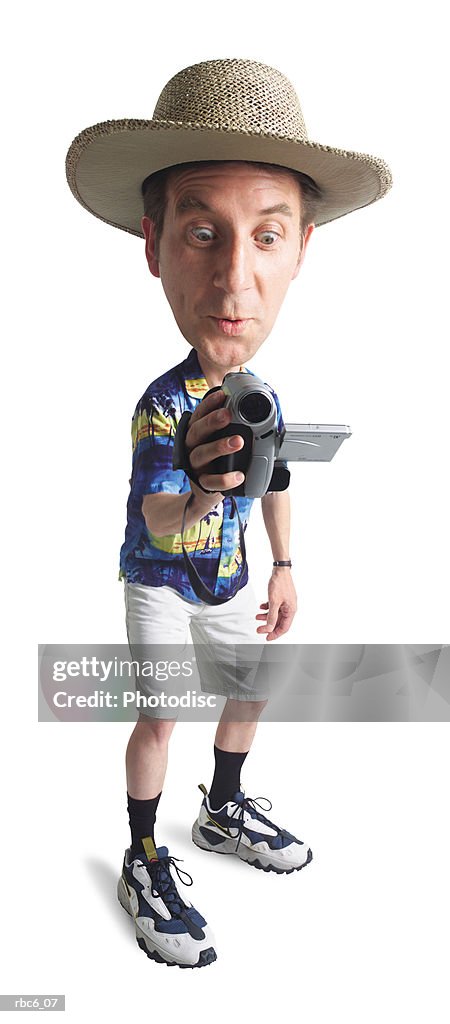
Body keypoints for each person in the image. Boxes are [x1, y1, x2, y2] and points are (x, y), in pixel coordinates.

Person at [65, 57, 392, 969]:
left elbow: (278, 478)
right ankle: (142, 855)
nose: (236, 283)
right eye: (204, 233)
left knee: (250, 690)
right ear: (156, 246)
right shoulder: (163, 406)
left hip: (232, 574)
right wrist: (208, 486)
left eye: (268, 236)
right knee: (163, 712)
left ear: (302, 250)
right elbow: (159, 520)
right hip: (166, 578)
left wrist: (285, 567)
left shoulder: (260, 395)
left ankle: (220, 806)